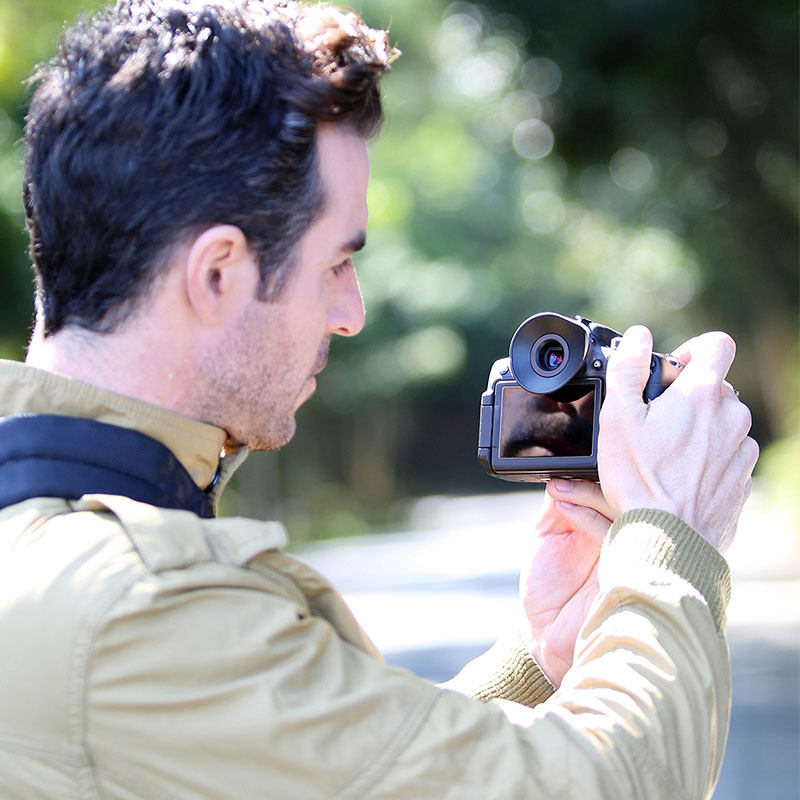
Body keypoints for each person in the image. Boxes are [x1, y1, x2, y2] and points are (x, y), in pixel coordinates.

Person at [0, 0, 758, 797]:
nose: (351, 313)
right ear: (217, 272)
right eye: (336, 263)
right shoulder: (139, 605)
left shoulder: (55, 547)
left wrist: (539, 659)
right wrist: (671, 533)